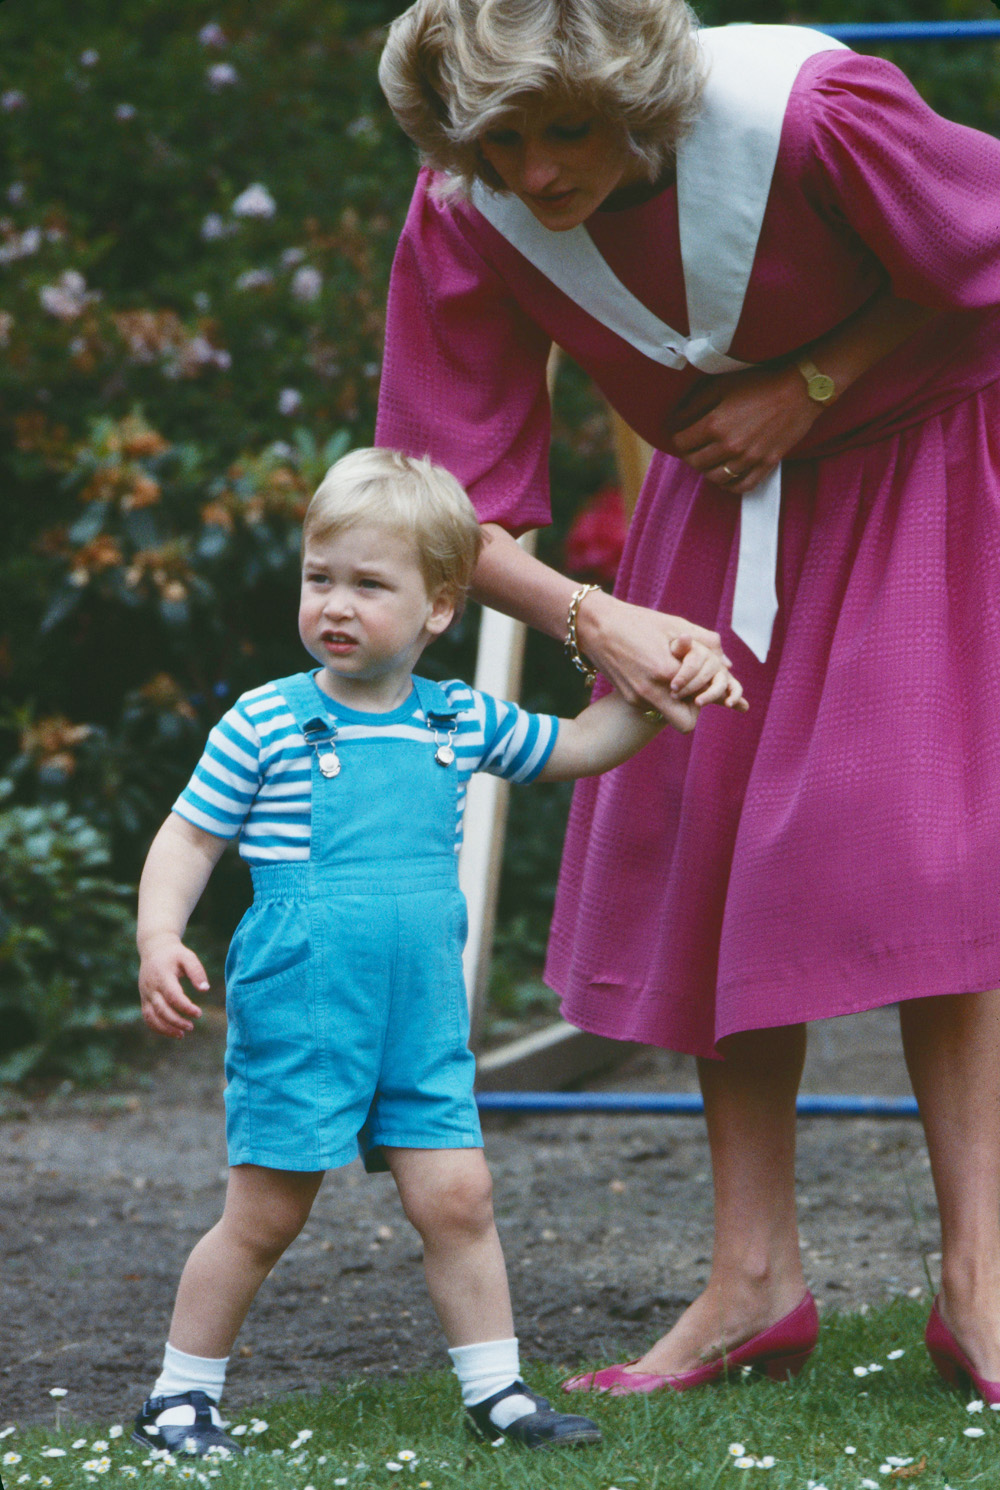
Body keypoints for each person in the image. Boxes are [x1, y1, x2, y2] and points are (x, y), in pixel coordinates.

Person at [376, 0, 1000, 1400]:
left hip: (928, 459)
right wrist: (599, 617)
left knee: (930, 846)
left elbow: (989, 253)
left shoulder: (812, 113)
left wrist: (813, 383)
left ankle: (983, 1282)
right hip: (718, 504)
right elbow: (433, 502)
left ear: (636, 94)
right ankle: (752, 1280)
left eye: (569, 129)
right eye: (502, 137)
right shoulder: (468, 212)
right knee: (709, 848)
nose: (536, 172)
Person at [130, 446, 743, 1457]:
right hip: (302, 1001)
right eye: (319, 577)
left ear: (440, 608)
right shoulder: (267, 722)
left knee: (458, 1196)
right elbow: (190, 836)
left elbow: (579, 747)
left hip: (420, 1009)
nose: (335, 604)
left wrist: (660, 688)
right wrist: (160, 935)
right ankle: (180, 1395)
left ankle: (495, 1391)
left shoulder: (457, 720)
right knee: (267, 1211)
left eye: (369, 585)